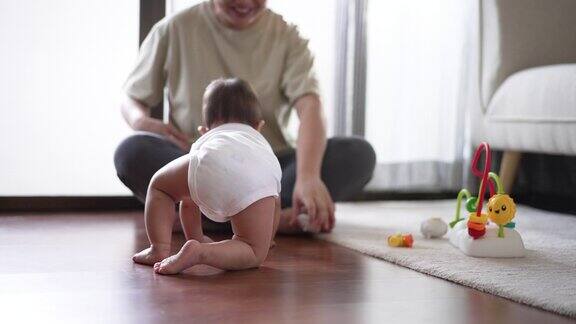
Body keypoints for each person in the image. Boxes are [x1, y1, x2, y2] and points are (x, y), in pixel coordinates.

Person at [114, 0, 376, 234]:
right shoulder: (173, 29)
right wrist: (140, 121)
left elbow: (311, 107)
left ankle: (205, 219)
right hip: (200, 163)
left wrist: (308, 176)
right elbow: (132, 97)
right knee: (131, 151)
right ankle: (266, 220)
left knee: (358, 154)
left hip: (268, 167)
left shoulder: (288, 37)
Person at [134, 78, 281, 274]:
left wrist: (194, 233)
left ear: (204, 131)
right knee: (252, 250)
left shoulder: (211, 139)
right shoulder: (260, 146)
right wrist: (266, 237)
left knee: (159, 187)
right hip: (255, 176)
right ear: (258, 126)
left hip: (210, 160)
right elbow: (275, 204)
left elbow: (190, 200)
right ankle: (201, 251)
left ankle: (160, 248)